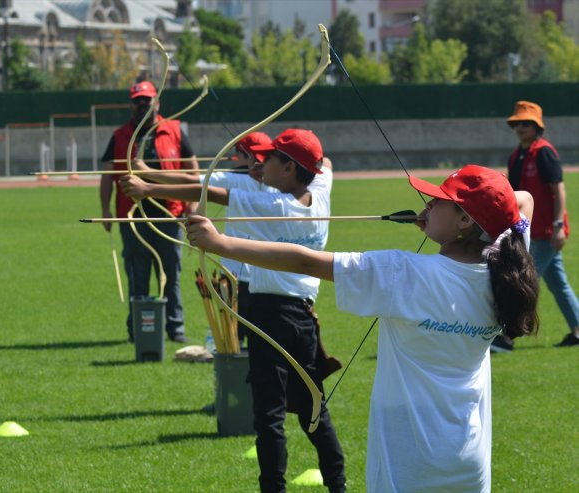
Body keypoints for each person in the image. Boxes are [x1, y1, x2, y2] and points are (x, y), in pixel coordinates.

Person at [185, 165, 540, 492]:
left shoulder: (403, 272)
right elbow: (523, 201)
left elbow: (303, 260)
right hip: (468, 460)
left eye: (440, 200)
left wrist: (220, 243)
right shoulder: (506, 263)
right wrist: (447, 224)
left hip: (407, 461)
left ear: (465, 219)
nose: (429, 203)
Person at [123, 129, 346, 493]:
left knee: (269, 414)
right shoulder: (319, 194)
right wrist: (271, 170)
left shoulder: (273, 207)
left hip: (268, 316)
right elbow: (325, 165)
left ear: (290, 168)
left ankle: (272, 488)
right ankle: (338, 484)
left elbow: (210, 192)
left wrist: (149, 190)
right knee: (312, 407)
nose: (260, 164)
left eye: (271, 159)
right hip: (303, 318)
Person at [132, 131, 277, 347]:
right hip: (258, 273)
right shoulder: (281, 184)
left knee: (239, 339)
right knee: (248, 339)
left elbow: (191, 182)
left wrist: (147, 175)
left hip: (241, 274)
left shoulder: (240, 180)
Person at [99, 80, 199, 343]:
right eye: (138, 100)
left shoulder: (174, 130)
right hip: (132, 216)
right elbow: (107, 176)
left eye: (147, 99)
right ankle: (139, 330)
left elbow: (193, 172)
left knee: (171, 274)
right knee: (137, 274)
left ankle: (175, 328)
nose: (143, 104)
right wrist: (105, 211)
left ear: (157, 102)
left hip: (169, 214)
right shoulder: (120, 135)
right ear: (132, 104)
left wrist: (193, 207)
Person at [491, 101, 578, 352]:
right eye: (516, 123)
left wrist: (559, 225)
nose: (520, 127)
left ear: (537, 126)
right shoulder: (517, 154)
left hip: (546, 232)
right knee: (558, 283)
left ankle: (507, 337)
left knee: (522, 281)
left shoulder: (544, 152)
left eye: (526, 123)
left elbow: (558, 190)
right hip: (529, 231)